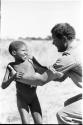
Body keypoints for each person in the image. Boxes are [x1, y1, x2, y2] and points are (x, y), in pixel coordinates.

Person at [1, 41, 63, 124]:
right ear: (14, 52)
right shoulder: (11, 66)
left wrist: (50, 70)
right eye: (23, 50)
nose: (27, 52)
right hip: (22, 99)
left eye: (27, 50)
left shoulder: (31, 61)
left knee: (39, 122)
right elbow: (3, 85)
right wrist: (13, 77)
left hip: (34, 98)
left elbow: (41, 69)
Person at [50, 23, 82, 124]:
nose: (53, 43)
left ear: (64, 39)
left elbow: (45, 78)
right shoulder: (79, 48)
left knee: (63, 115)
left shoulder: (70, 56)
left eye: (54, 39)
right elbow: (59, 78)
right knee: (68, 104)